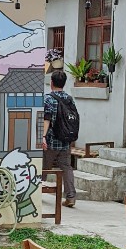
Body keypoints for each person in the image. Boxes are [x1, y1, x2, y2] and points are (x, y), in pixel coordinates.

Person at [42, 70, 79, 208]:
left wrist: (43, 136)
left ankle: (36, 192)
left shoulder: (48, 99)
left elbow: (47, 119)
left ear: (51, 83)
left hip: (51, 141)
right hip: (65, 140)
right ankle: (71, 197)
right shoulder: (69, 99)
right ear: (64, 83)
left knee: (44, 168)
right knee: (66, 168)